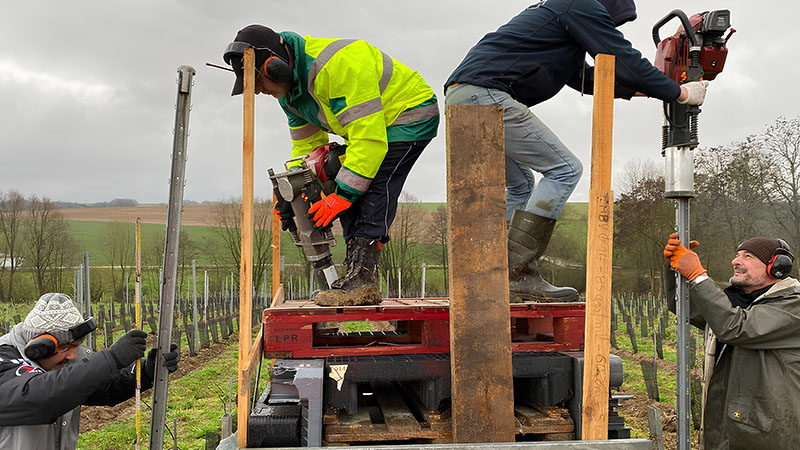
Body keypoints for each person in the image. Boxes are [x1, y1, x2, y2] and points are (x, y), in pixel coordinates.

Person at [444, 0, 709, 302]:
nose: (607, 28)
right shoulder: (580, 3)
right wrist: (680, 92)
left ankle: (492, 271)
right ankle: (516, 273)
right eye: (611, 23)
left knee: (520, 185)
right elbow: (621, 55)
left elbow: (584, 78)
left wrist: (646, 89)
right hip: (484, 95)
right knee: (565, 170)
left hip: (463, 96)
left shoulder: (561, 24)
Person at [222, 25, 439, 306]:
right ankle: (358, 276)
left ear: (275, 67)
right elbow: (309, 152)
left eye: (259, 82)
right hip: (371, 131)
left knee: (372, 186)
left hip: (408, 115)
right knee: (336, 175)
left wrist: (343, 196)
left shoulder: (334, 68)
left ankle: (362, 277)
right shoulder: (290, 96)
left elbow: (370, 140)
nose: (260, 91)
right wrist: (294, 193)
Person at [664, 234, 800, 449]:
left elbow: (737, 328)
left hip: (770, 435)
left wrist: (698, 276)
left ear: (776, 267)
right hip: (733, 428)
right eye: (737, 255)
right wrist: (674, 267)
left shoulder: (793, 306)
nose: (736, 261)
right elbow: (685, 307)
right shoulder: (739, 302)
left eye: (748, 256)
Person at [0, 293, 179, 449]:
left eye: (76, 346)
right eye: (65, 348)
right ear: (38, 347)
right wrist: (110, 359)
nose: (72, 356)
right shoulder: (4, 358)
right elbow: (39, 398)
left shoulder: (63, 362)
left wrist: (146, 371)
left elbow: (103, 389)